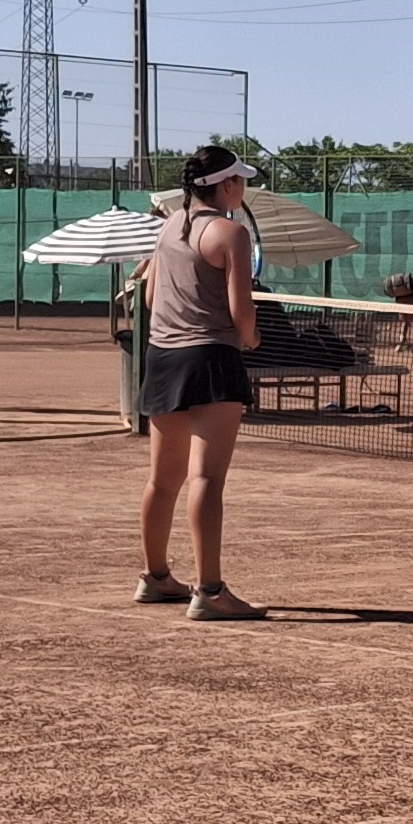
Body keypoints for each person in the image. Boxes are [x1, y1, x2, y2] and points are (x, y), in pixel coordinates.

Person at [136, 145, 267, 621]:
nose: (245, 189)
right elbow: (242, 313)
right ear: (228, 186)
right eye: (242, 181)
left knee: (162, 479)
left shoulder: (169, 225)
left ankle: (155, 578)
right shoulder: (232, 234)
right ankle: (210, 592)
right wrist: (251, 339)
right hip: (211, 359)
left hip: (162, 358)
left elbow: (150, 294)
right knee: (207, 478)